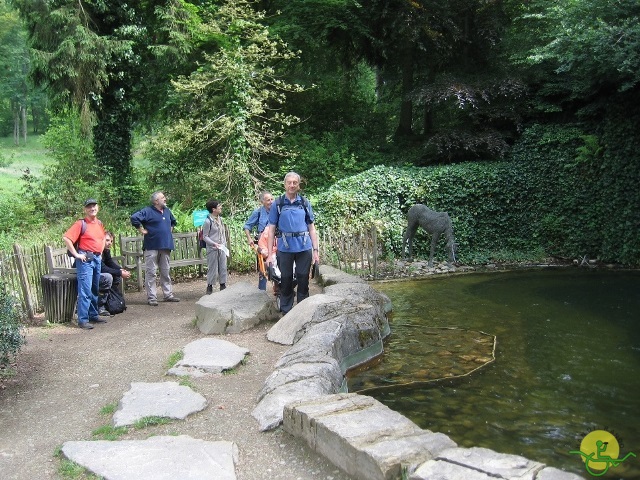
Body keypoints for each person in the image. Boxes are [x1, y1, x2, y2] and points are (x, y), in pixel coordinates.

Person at [266, 172, 320, 314]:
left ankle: (303, 310)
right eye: (289, 182)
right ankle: (286, 311)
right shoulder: (277, 204)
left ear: (298, 185)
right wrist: (270, 254)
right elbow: (271, 230)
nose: (292, 185)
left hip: (304, 247)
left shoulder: (304, 203)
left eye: (294, 183)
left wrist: (316, 250)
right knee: (285, 279)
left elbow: (312, 229)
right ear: (285, 184)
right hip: (284, 248)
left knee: (303, 278)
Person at [62, 199, 107, 330]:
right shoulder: (80, 224)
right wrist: (76, 255)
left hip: (97, 258)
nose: (92, 208)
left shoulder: (99, 223)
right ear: (85, 209)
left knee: (94, 288)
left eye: (94, 206)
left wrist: (101, 251)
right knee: (85, 290)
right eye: (89, 207)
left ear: (98, 207)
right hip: (85, 260)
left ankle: (93, 315)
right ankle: (83, 319)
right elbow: (66, 238)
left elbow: (103, 237)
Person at [130, 191, 180, 306]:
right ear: (156, 201)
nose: (165, 199)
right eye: (163, 198)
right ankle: (152, 297)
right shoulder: (147, 211)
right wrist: (141, 229)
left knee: (165, 271)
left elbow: (173, 221)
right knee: (151, 272)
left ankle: (168, 295)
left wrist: (169, 230)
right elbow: (134, 217)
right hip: (152, 246)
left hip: (166, 246)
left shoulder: (167, 211)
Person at [243, 191, 274, 290]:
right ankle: (261, 293)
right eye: (268, 200)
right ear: (262, 202)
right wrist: (249, 238)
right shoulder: (258, 212)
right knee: (263, 268)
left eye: (272, 199)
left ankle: (280, 291)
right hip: (262, 242)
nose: (271, 202)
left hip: (276, 241)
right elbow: (247, 226)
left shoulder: (277, 211)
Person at [98, 231, 131, 316]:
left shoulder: (106, 251)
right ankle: (100, 306)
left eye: (111, 241)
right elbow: (102, 268)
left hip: (98, 274)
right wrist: (119, 272)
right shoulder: (97, 251)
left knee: (116, 276)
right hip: (86, 275)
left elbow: (110, 263)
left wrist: (121, 270)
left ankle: (111, 300)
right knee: (108, 277)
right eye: (107, 240)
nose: (110, 243)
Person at [203, 199, 228, 294]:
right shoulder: (208, 221)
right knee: (212, 267)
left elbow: (222, 233)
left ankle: (223, 284)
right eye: (219, 206)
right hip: (212, 248)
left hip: (221, 247)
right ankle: (210, 286)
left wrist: (223, 244)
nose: (220, 207)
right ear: (213, 209)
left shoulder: (220, 219)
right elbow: (205, 236)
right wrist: (213, 244)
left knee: (223, 266)